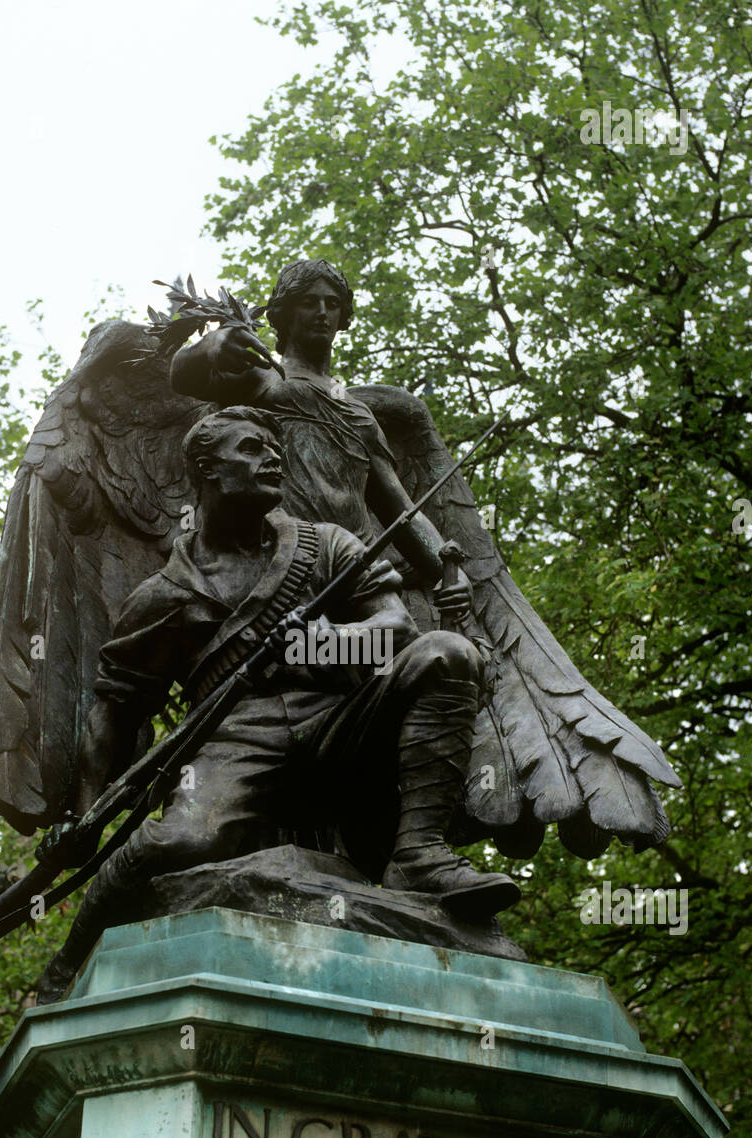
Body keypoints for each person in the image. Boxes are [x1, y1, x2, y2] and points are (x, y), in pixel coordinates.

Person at [36, 405, 517, 1002]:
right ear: (208, 471)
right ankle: (69, 964)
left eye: (274, 446)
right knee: (178, 843)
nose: (272, 456)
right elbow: (114, 710)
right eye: (250, 448)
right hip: (236, 737)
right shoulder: (167, 594)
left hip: (340, 719)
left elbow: (396, 630)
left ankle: (419, 855)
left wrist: (320, 644)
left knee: (448, 653)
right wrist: (86, 818)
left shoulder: (327, 545)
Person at [169, 258, 473, 624]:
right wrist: (209, 346)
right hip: (285, 562)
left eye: (332, 304)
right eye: (309, 302)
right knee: (304, 658)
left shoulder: (360, 414)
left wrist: (448, 570)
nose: (322, 312)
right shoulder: (263, 380)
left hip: (358, 571)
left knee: (414, 655)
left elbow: (400, 510)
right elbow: (181, 377)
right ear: (283, 313)